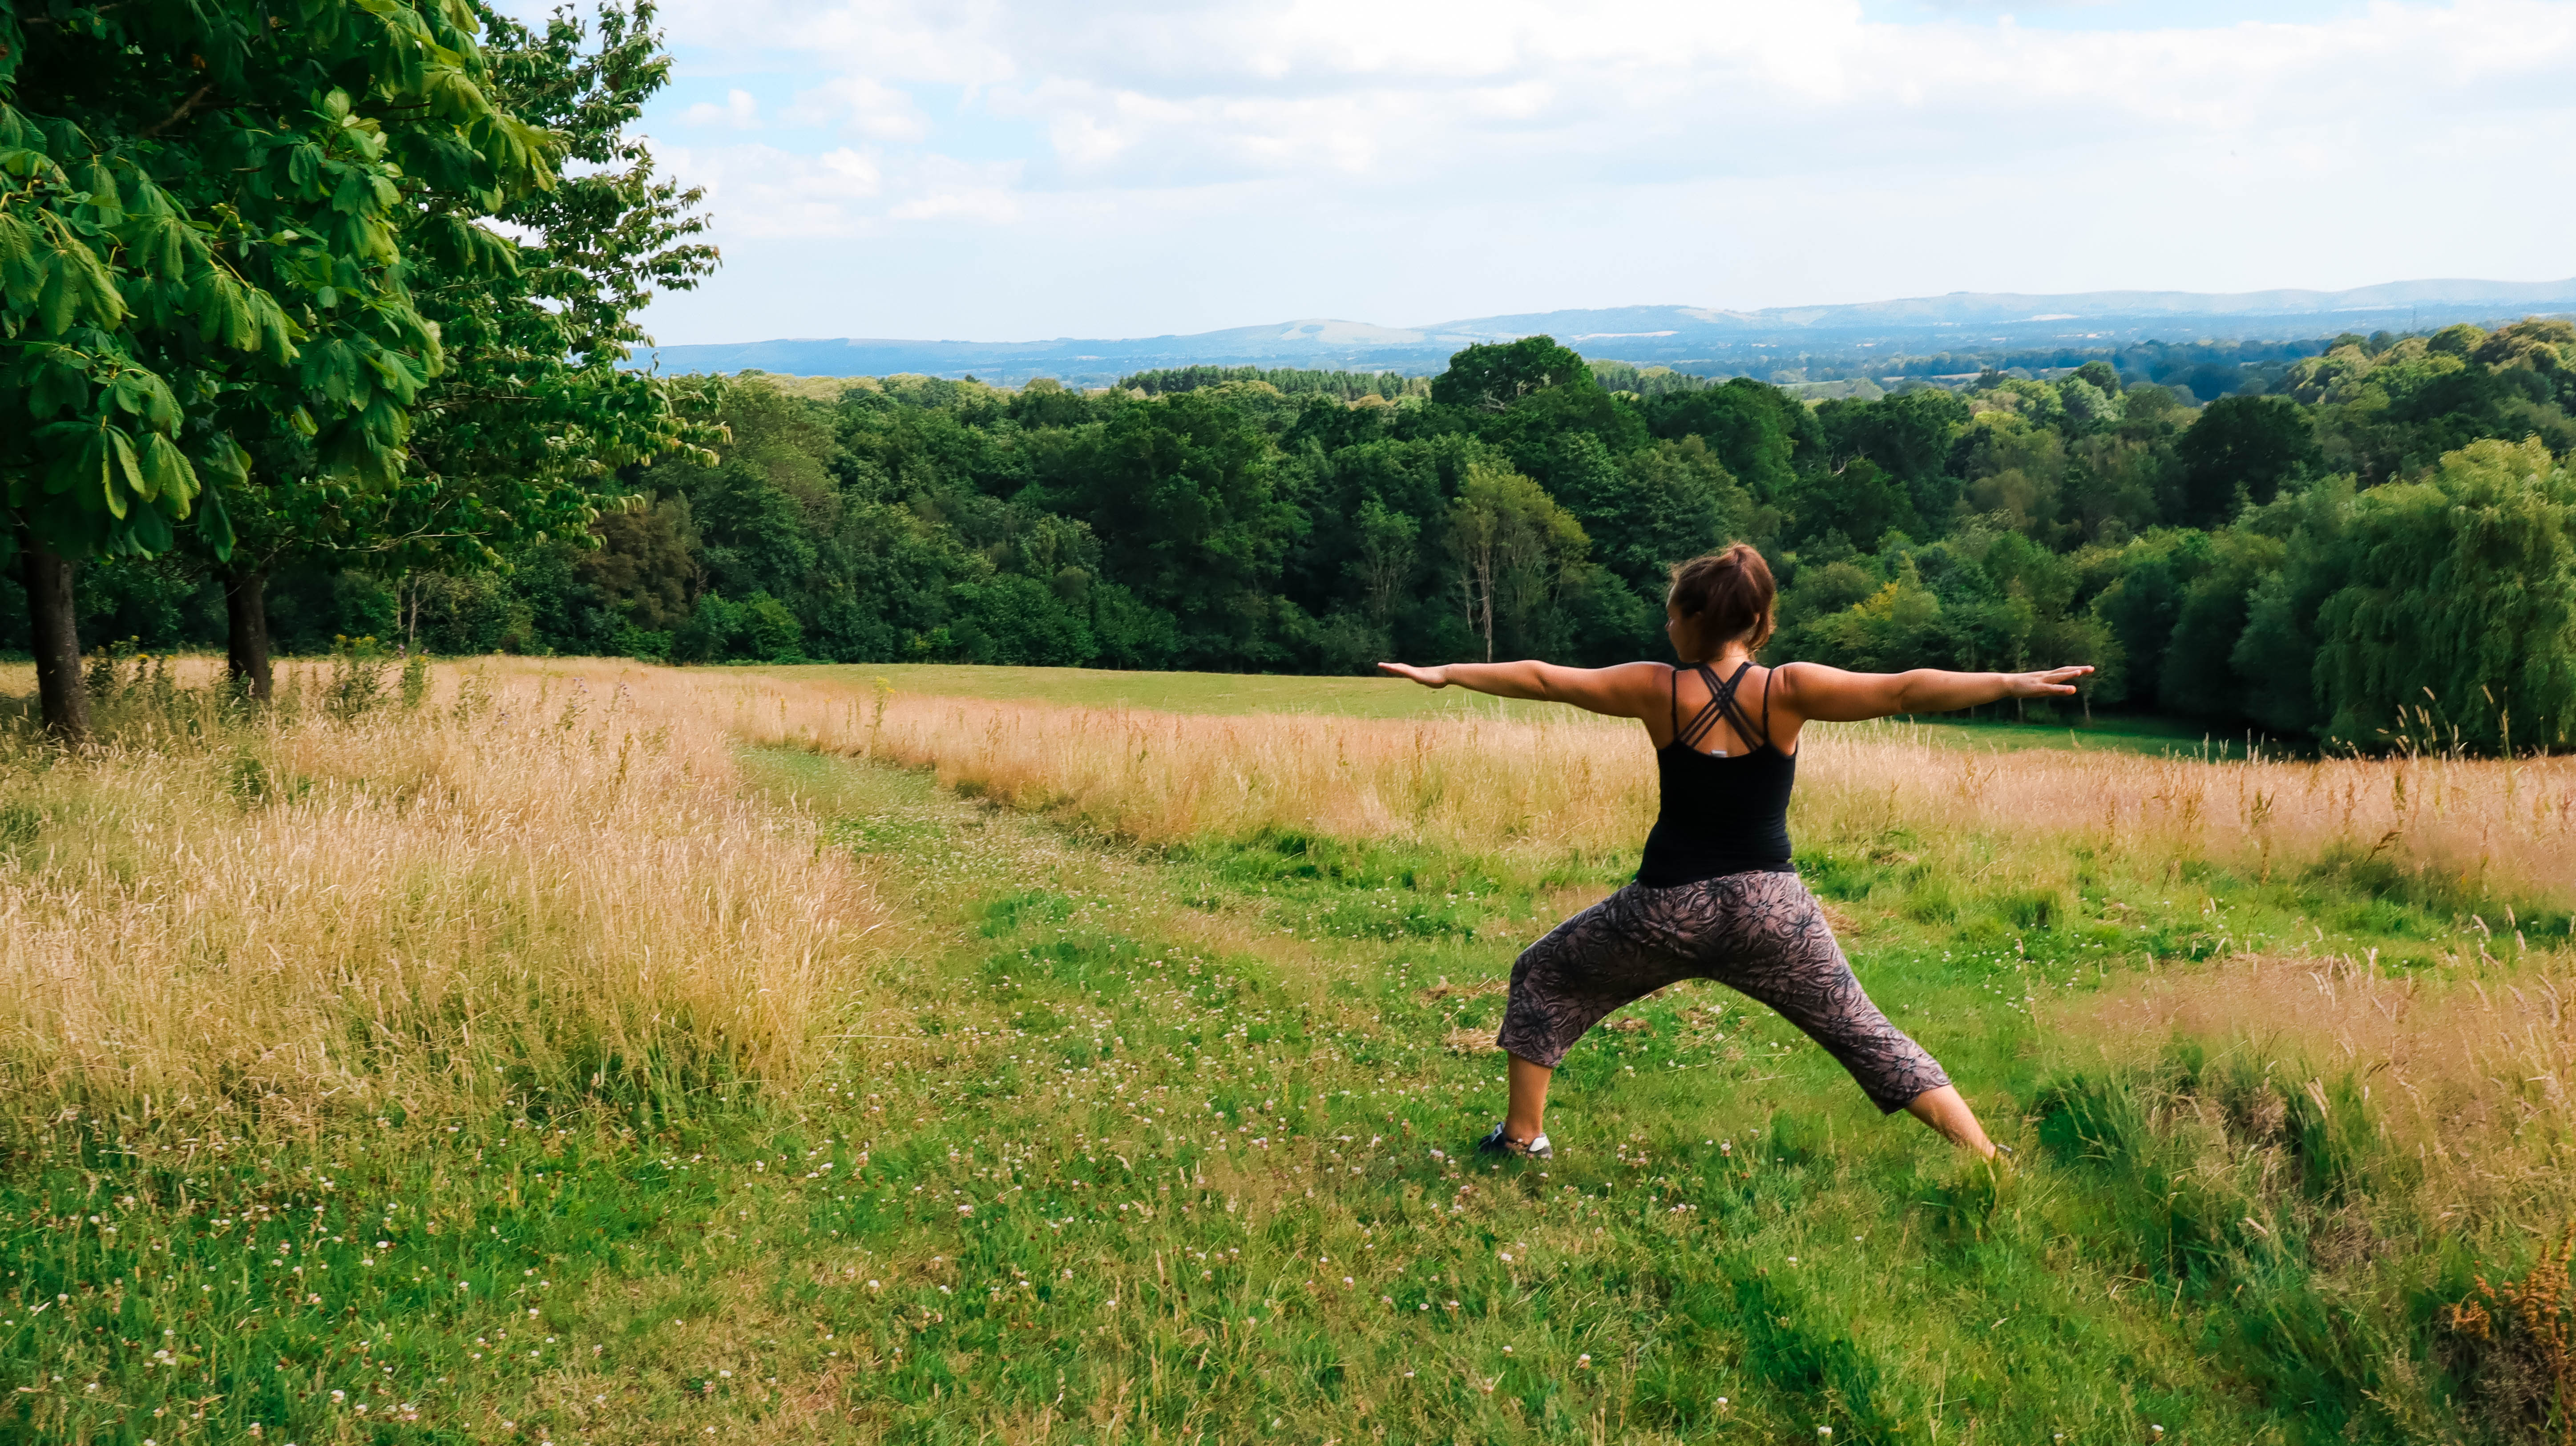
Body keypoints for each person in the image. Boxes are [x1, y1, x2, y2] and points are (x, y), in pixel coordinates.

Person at [1377, 543, 2089, 1162]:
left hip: (1664, 908)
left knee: (1544, 972)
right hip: (1771, 912)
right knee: (1865, 1032)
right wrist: (2009, 681)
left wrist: (1446, 671)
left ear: (1694, 621)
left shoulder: (1658, 689)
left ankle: (1519, 1138)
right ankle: (1989, 1160)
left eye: (1673, 614)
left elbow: (1541, 677)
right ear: (1756, 622)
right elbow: (1901, 688)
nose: (1666, 624)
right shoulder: (1789, 689)